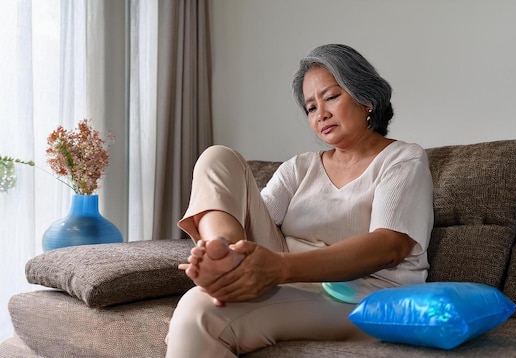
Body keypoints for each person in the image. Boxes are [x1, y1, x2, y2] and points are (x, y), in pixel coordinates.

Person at [165, 43, 434, 357]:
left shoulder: (402, 160)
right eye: (310, 107)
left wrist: (277, 268)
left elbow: (389, 246)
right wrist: (243, 254)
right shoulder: (300, 167)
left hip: (363, 295)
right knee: (217, 157)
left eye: (331, 97)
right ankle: (224, 254)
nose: (321, 114)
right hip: (289, 279)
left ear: (366, 99)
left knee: (200, 310)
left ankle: (230, 267)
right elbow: (251, 217)